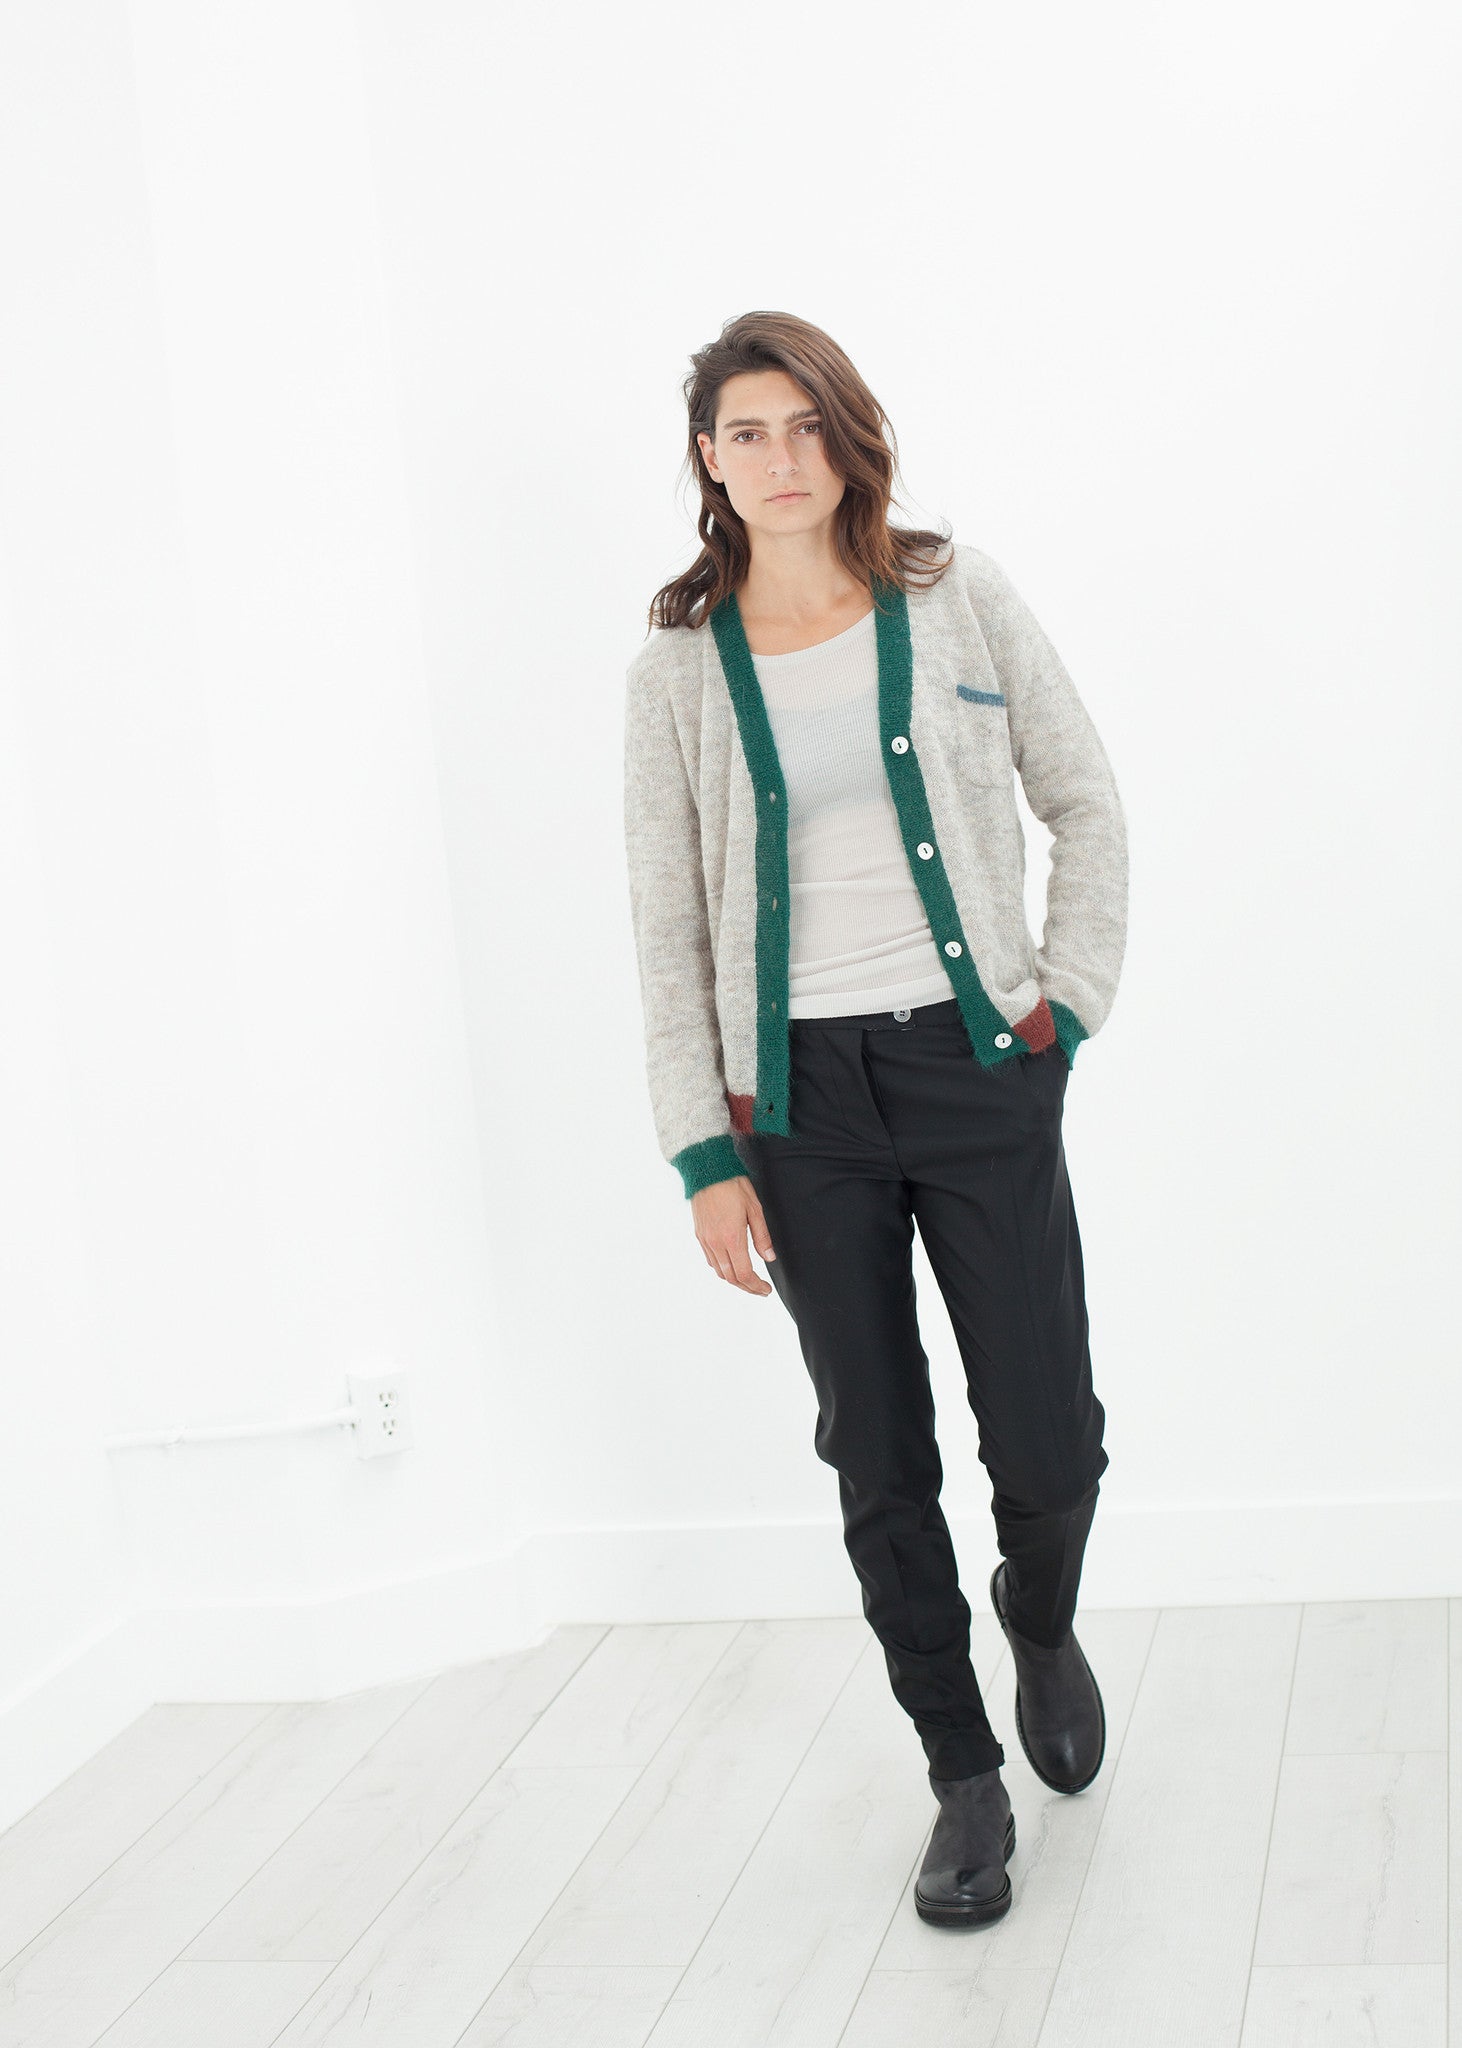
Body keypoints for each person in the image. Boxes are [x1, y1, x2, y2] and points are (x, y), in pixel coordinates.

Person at [622, 310, 1129, 1929]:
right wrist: (705, 1150)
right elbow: (667, 927)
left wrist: (1060, 1007)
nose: (779, 458)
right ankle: (960, 1775)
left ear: (850, 438)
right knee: (876, 1452)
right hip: (797, 1110)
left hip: (974, 1070)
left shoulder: (953, 595)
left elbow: (1082, 797)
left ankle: (1036, 1613)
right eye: (745, 432)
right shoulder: (677, 668)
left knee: (1045, 1431)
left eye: (804, 425)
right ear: (707, 460)